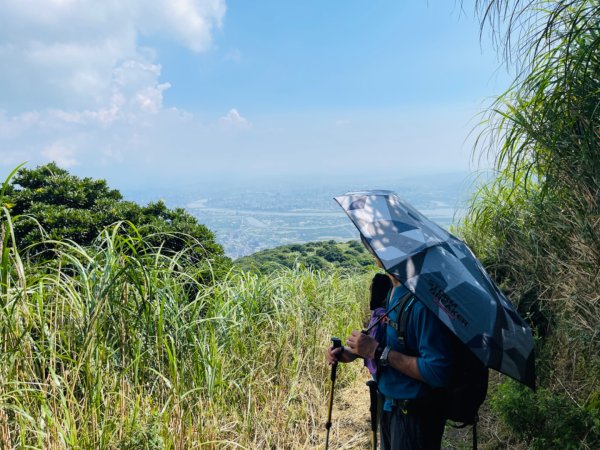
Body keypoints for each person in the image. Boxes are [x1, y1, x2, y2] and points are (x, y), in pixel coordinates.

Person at [327, 269, 457, 450]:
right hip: (389, 406)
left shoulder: (422, 304)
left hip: (415, 415)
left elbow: (438, 371)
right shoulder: (391, 291)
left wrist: (377, 351)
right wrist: (353, 352)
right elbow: (392, 342)